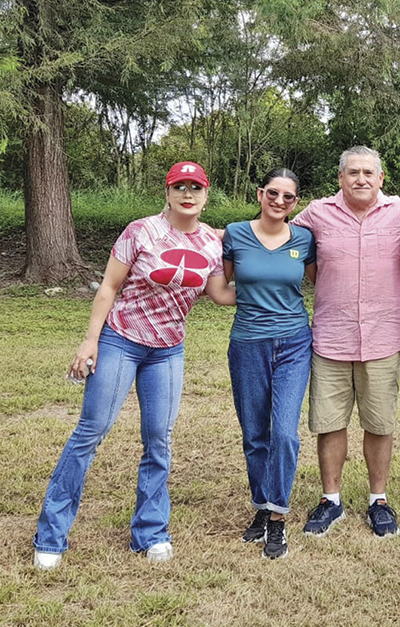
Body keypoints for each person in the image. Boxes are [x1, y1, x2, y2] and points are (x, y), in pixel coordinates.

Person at [33, 161, 235, 570]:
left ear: (206, 194)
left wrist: (269, 276)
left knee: (159, 440)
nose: (188, 194)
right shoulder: (140, 231)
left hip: (168, 350)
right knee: (92, 431)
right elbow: (108, 287)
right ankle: (51, 535)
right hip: (121, 340)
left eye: (196, 187)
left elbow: (221, 294)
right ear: (167, 192)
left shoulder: (212, 244)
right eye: (180, 186)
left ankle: (151, 532)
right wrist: (90, 341)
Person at [292, 146, 400, 538]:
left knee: (379, 422)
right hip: (331, 336)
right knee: (329, 422)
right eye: (353, 172)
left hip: (382, 337)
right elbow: (276, 234)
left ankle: (379, 499)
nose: (361, 179)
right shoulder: (316, 213)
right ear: (340, 178)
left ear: (381, 178)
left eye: (368, 173)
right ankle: (331, 499)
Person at [223, 168, 316, 560]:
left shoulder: (305, 238)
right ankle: (261, 506)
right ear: (260, 193)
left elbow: (319, 282)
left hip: (294, 343)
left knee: (285, 434)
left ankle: (277, 517)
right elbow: (222, 286)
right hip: (248, 344)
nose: (279, 201)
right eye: (273, 193)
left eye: (288, 197)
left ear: (296, 202)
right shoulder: (234, 234)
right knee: (254, 433)